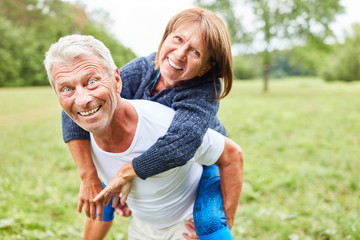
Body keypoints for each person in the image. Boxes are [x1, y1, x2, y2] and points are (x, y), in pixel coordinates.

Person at [44, 34, 243, 240]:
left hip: (196, 151)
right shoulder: (141, 69)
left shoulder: (201, 91)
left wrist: (128, 172)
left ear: (206, 67)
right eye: (178, 40)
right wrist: (88, 176)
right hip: (147, 187)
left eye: (196, 52)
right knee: (100, 191)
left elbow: (186, 145)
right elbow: (73, 111)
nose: (180, 54)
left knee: (210, 221)